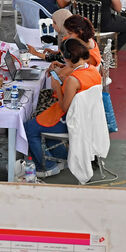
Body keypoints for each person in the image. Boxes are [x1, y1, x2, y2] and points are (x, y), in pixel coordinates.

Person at [24, 38, 101, 177]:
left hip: (69, 119)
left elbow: (65, 107)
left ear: (68, 58)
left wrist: (57, 87)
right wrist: (63, 69)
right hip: (87, 118)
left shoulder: (73, 80)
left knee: (29, 127)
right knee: (40, 122)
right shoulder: (92, 70)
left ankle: (47, 166)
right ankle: (61, 156)